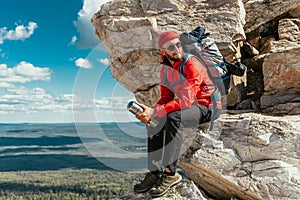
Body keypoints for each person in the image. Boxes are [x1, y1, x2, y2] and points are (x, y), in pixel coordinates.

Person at [134, 31, 222, 197]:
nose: (176, 49)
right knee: (155, 121)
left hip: (208, 106)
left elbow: (187, 100)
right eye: (171, 47)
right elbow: (166, 96)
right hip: (190, 105)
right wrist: (152, 113)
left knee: (174, 118)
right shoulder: (166, 70)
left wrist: (157, 111)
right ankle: (154, 171)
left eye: (178, 44)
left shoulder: (191, 63)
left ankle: (170, 173)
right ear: (163, 51)